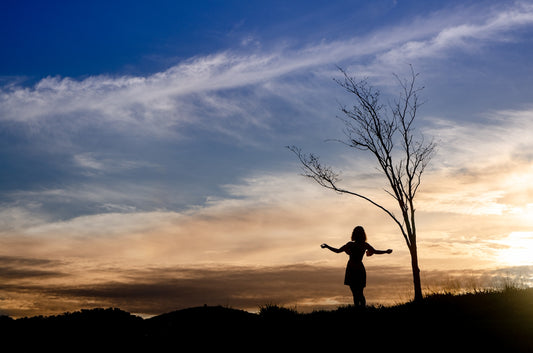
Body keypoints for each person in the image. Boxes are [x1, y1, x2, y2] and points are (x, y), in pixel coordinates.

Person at [321, 226, 392, 307]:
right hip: (358, 269)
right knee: (360, 293)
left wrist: (327, 246)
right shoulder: (364, 245)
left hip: (352, 269)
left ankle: (358, 309)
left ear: (354, 234)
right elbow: (375, 251)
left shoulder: (351, 244)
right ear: (363, 235)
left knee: (355, 293)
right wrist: (386, 251)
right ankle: (361, 309)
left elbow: (337, 251)